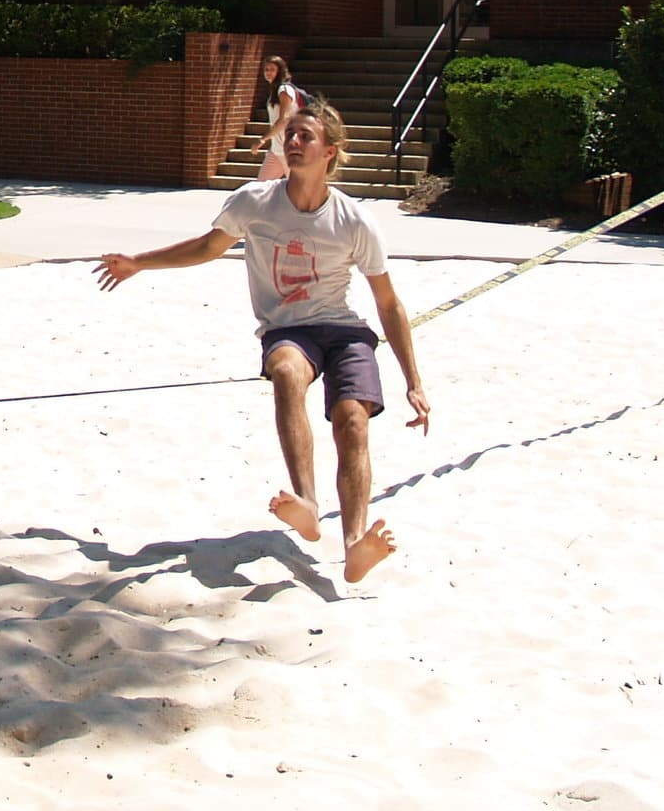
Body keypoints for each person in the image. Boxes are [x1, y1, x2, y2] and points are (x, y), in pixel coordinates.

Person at [97, 97, 431, 585]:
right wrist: (138, 262)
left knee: (353, 421)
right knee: (287, 370)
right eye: (289, 135)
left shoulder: (354, 220)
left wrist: (414, 382)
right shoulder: (254, 202)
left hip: (344, 330)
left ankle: (357, 543)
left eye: (305, 137)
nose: (293, 143)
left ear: (330, 152)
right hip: (288, 330)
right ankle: (308, 503)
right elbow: (206, 248)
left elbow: (389, 304)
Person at [253, 54, 303, 181]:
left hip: (289, 148)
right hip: (276, 149)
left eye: (272, 69)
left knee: (297, 189)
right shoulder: (274, 91)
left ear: (280, 71)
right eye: (266, 69)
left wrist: (263, 139)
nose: (268, 73)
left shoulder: (284, 90)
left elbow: (284, 119)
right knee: (260, 188)